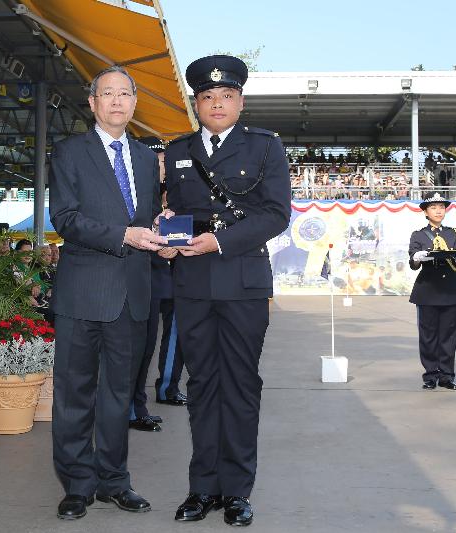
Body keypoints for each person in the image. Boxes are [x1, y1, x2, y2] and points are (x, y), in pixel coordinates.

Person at [160, 55, 291, 526]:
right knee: (201, 387)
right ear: (196, 103)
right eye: (208, 97)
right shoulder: (177, 151)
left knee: (239, 386)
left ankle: (237, 491)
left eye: (227, 96)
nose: (217, 104)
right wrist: (165, 233)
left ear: (240, 101)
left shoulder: (265, 147)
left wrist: (219, 240)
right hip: (192, 285)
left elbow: (276, 214)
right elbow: (179, 212)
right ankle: (202, 489)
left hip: (242, 285)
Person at [48, 65, 166, 520]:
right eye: (107, 94)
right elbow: (66, 218)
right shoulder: (69, 152)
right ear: (93, 103)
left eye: (125, 94)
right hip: (83, 293)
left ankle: (115, 481)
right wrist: (126, 236)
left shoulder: (142, 158)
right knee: (75, 395)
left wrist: (159, 236)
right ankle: (77, 484)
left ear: (135, 103)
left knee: (119, 396)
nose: (117, 101)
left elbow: (147, 218)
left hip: (133, 293)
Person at [128, 136, 188, 433]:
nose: (163, 166)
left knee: (153, 343)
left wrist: (174, 244)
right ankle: (130, 407)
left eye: (165, 160)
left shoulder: (173, 194)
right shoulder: (133, 193)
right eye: (158, 161)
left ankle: (146, 400)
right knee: (137, 346)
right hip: (138, 275)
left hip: (165, 274)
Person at [408, 191, 456, 391]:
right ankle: (430, 375)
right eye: (433, 207)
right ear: (425, 211)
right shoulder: (418, 235)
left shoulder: (452, 233)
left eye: (442, 207)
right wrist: (418, 257)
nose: (438, 210)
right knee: (428, 334)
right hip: (428, 289)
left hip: (451, 288)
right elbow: (413, 263)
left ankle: (446, 376)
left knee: (449, 334)